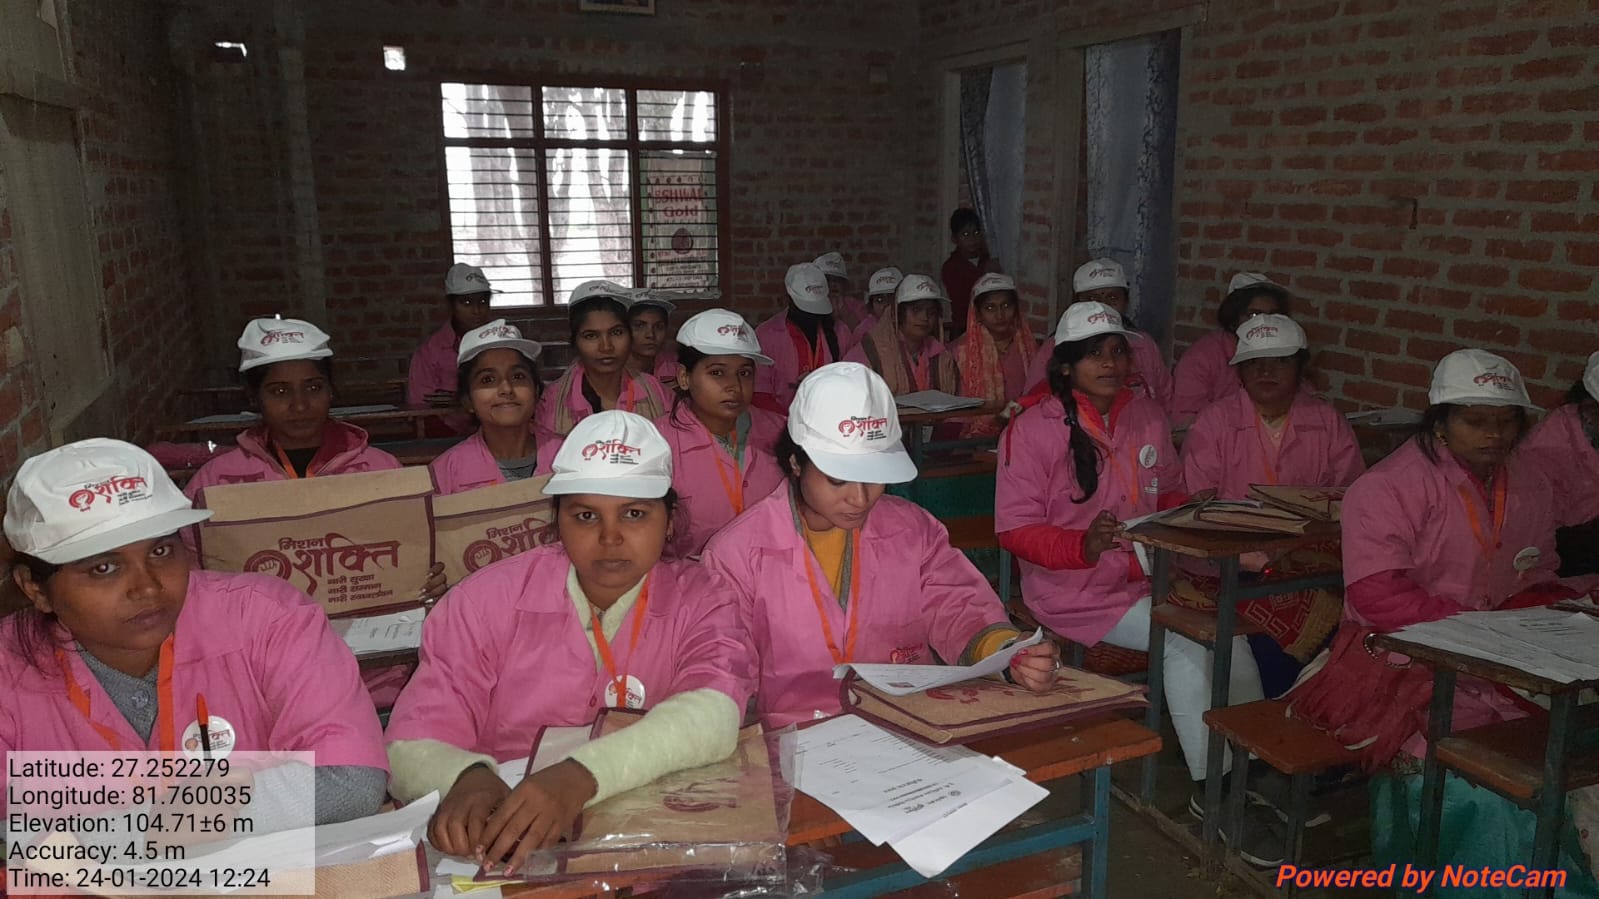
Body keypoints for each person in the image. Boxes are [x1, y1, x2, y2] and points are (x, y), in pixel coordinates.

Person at [385, 411, 754, 874]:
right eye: (585, 516)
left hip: (646, 840)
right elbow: (409, 740)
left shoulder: (705, 599)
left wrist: (580, 777)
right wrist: (465, 777)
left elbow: (714, 713)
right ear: (557, 519)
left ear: (669, 521)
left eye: (634, 514)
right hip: (504, 837)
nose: (610, 537)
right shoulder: (482, 602)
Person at [1289, 350, 1599, 892]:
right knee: (1484, 786)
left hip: (1502, 654)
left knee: (1563, 754)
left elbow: (1538, 569)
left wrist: (1553, 611)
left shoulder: (1529, 481)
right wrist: (1478, 630)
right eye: (1475, 420)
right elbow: (1378, 596)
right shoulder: (1387, 487)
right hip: (1402, 655)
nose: (1494, 434)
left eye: (1506, 421)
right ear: (1440, 421)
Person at [994, 302, 1279, 862]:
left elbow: (1166, 491)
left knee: (1232, 638)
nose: (1110, 362)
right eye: (1094, 354)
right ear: (1066, 365)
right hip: (1073, 589)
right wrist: (1082, 546)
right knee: (1186, 640)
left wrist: (1195, 512)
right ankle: (1216, 794)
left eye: (1117, 351)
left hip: (1147, 578)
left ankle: (1246, 773)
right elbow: (1015, 529)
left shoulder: (1146, 414)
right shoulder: (1032, 429)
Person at [1, 439, 388, 824]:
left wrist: (171, 821)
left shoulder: (266, 617)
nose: (148, 587)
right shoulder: (8, 670)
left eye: (160, 552)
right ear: (35, 589)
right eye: (104, 568)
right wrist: (165, 824)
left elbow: (352, 782)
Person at [703, 362, 1060, 729]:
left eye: (873, 477)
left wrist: (1006, 652)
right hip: (797, 735)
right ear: (796, 462)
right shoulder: (737, 553)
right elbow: (724, 662)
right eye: (838, 480)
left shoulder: (912, 530)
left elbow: (957, 605)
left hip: (905, 719)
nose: (860, 499)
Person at [1177, 315, 1365, 686]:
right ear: (1239, 372)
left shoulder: (1326, 421)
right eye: (1255, 363)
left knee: (1338, 617)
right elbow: (1196, 505)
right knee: (1262, 629)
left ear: (1300, 368)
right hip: (1228, 563)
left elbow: (1352, 500)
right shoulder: (1214, 421)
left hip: (1305, 562)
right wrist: (1245, 551)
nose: (1266, 372)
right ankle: (1264, 708)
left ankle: (1292, 704)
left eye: (1280, 361)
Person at [186, 318, 405, 500]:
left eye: (313, 388)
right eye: (280, 391)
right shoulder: (218, 480)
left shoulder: (380, 469)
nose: (300, 406)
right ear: (254, 397)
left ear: (331, 390)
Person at [654, 309, 785, 559]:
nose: (734, 386)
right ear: (684, 377)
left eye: (744, 373)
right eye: (717, 372)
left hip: (770, 573)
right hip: (689, 578)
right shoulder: (657, 443)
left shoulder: (781, 432)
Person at [1024, 259, 1173, 412]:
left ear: (1126, 301)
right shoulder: (1055, 347)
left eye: (1113, 298)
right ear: (1077, 302)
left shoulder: (1144, 344)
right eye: (1092, 299)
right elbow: (1033, 402)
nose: (1103, 305)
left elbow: (1166, 402)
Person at [429, 320, 557, 495]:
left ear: (535, 390)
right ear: (467, 400)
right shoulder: (446, 473)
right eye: (487, 380)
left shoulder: (568, 454)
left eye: (518, 376)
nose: (506, 389)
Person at [533, 281, 669, 444]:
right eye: (591, 336)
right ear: (575, 342)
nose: (606, 347)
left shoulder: (656, 392)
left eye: (616, 332)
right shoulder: (552, 401)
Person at [1170, 272, 1291, 425]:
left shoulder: (1286, 354)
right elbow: (1184, 423)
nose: (1263, 322)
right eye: (1254, 315)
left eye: (1272, 315)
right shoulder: (1201, 359)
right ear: (1233, 317)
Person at [409, 263, 499, 435]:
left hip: (501, 430)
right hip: (447, 435)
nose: (476, 310)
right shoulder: (430, 352)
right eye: (466, 303)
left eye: (482, 302)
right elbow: (420, 409)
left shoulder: (502, 344)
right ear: (451, 305)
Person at [753, 262, 851, 413]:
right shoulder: (766, 335)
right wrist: (789, 421)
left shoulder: (841, 332)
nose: (812, 315)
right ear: (787, 299)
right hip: (779, 422)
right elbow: (760, 394)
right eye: (805, 309)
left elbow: (851, 385)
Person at [949, 273, 1040, 436]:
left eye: (1006, 306)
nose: (1000, 315)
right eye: (990, 308)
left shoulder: (1029, 349)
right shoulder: (959, 352)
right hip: (970, 437)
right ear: (977, 313)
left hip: (1024, 432)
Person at [844, 274, 959, 395]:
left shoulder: (942, 356)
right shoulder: (871, 353)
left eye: (931, 312)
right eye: (916, 310)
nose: (924, 317)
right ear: (897, 314)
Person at [939, 208, 1002, 333]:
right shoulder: (951, 267)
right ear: (954, 238)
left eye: (976, 232)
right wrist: (986, 275)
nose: (972, 239)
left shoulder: (988, 260)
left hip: (992, 327)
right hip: (964, 329)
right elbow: (967, 301)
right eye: (965, 234)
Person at [625, 289, 679, 386]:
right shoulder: (610, 371)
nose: (650, 334)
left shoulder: (675, 368)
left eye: (659, 327)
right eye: (639, 326)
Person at [815, 251, 869, 340]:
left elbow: (864, 337)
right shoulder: (810, 306)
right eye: (828, 279)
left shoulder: (857, 306)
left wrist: (844, 312)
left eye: (837, 280)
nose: (833, 284)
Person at [851, 266, 904, 347]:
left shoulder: (912, 327)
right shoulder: (863, 332)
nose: (886, 305)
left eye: (892, 299)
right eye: (879, 300)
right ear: (872, 305)